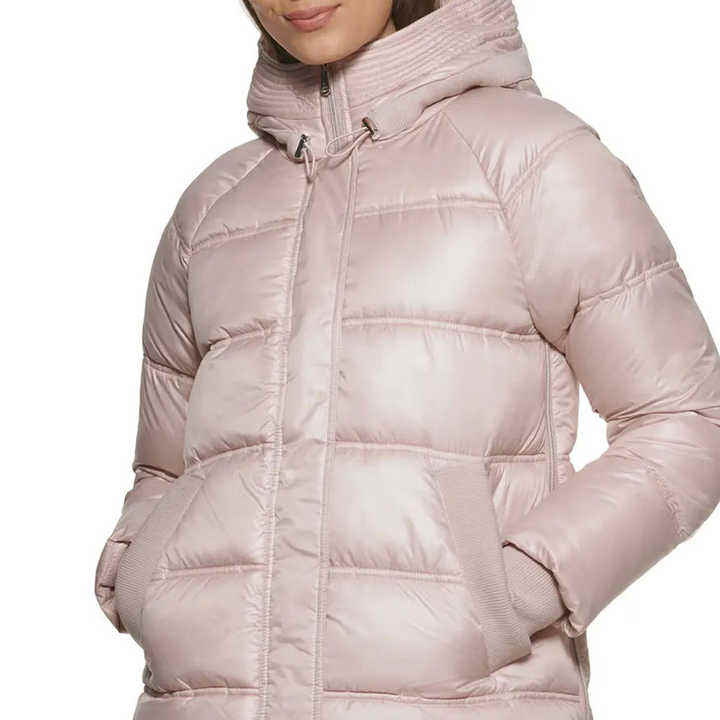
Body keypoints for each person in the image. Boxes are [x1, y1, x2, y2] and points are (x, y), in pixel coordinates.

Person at [94, 2, 720, 718]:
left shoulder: (530, 161)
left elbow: (687, 420)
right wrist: (140, 573)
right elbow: (166, 468)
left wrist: (513, 589)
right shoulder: (212, 209)